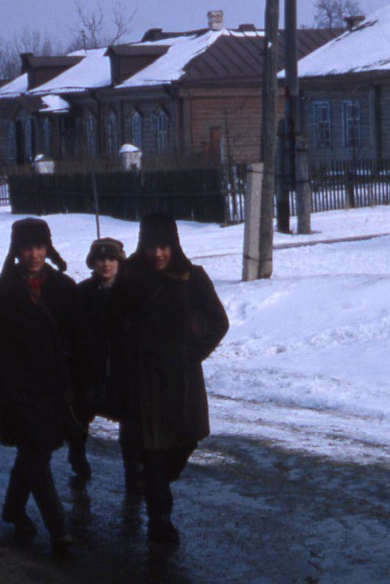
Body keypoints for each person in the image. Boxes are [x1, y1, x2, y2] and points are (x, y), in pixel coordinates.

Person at [0, 218, 98, 553]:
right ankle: (59, 529)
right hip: (16, 391)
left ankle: (13, 509)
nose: (33, 254)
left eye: (40, 246)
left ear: (48, 248)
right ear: (16, 250)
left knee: (34, 453)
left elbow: (82, 339)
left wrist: (88, 385)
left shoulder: (64, 288)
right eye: (27, 247)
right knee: (36, 455)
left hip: (55, 389)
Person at [105, 213, 229, 549]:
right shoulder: (129, 277)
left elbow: (219, 321)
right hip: (142, 381)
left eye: (163, 246)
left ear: (173, 245)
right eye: (150, 247)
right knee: (152, 452)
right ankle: (160, 520)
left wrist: (191, 353)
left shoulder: (192, 277)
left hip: (180, 381)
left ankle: (157, 483)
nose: (157, 254)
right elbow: (113, 326)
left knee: (185, 441)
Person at [67, 236, 126, 488]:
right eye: (101, 259)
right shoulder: (81, 293)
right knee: (82, 415)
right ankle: (77, 456)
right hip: (88, 367)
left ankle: (133, 469)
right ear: (93, 262)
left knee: (129, 420)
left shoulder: (129, 291)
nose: (106, 264)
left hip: (121, 368)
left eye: (112, 259)